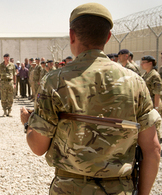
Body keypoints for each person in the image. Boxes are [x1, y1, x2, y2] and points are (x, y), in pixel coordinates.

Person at [20, 3, 161, 195]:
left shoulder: (55, 81)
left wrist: (28, 125)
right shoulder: (135, 82)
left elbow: (38, 146)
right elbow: (152, 149)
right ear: (108, 37)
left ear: (72, 35)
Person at [140, 55, 162, 141]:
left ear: (150, 63)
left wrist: (156, 107)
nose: (141, 64)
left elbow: (157, 93)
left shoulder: (154, 75)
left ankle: (157, 142)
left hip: (154, 103)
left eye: (144, 63)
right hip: (147, 103)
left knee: (155, 125)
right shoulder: (145, 74)